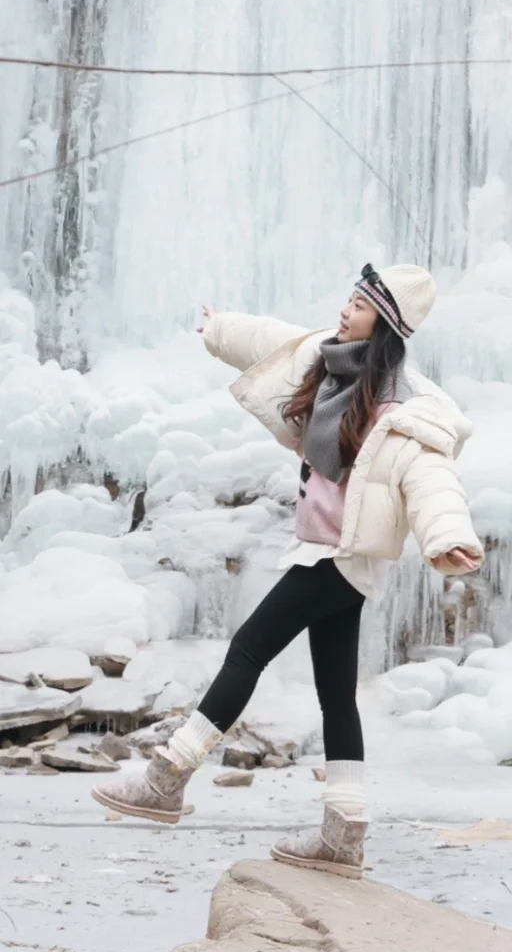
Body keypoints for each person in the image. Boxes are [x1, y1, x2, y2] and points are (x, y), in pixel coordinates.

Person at [92, 263, 483, 878]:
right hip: (327, 555)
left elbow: (433, 481)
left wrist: (448, 538)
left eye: (360, 305)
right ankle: (343, 832)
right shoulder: (327, 362)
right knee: (336, 695)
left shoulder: (403, 407)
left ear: (385, 323)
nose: (346, 310)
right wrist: (219, 329)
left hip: (339, 558)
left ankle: (167, 777)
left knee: (248, 649)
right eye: (350, 299)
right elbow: (270, 341)